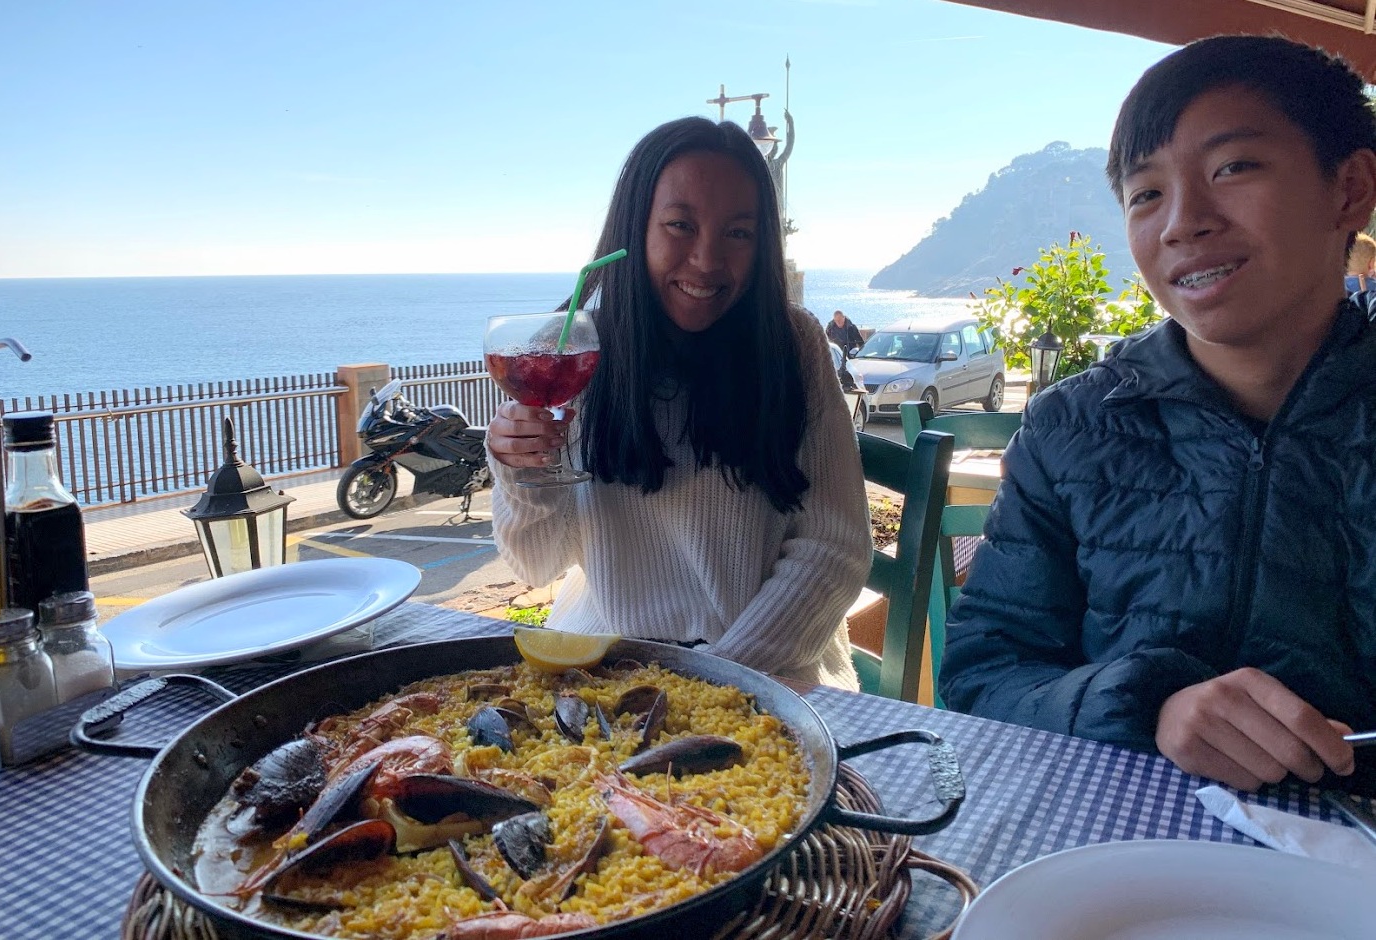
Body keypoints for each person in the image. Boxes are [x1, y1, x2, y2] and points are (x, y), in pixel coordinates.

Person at [940, 35, 1376, 796]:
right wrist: (1148, 707)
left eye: (1232, 168)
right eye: (1146, 194)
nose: (1182, 222)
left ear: (1348, 189)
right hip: (1116, 857)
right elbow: (986, 671)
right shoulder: (1069, 428)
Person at [485, 116, 870, 690]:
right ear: (634, 228)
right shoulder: (578, 353)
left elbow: (833, 548)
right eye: (680, 225)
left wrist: (716, 680)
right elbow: (537, 563)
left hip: (769, 664)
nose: (708, 260)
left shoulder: (792, 347)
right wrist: (519, 471)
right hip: (604, 664)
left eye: (738, 233)